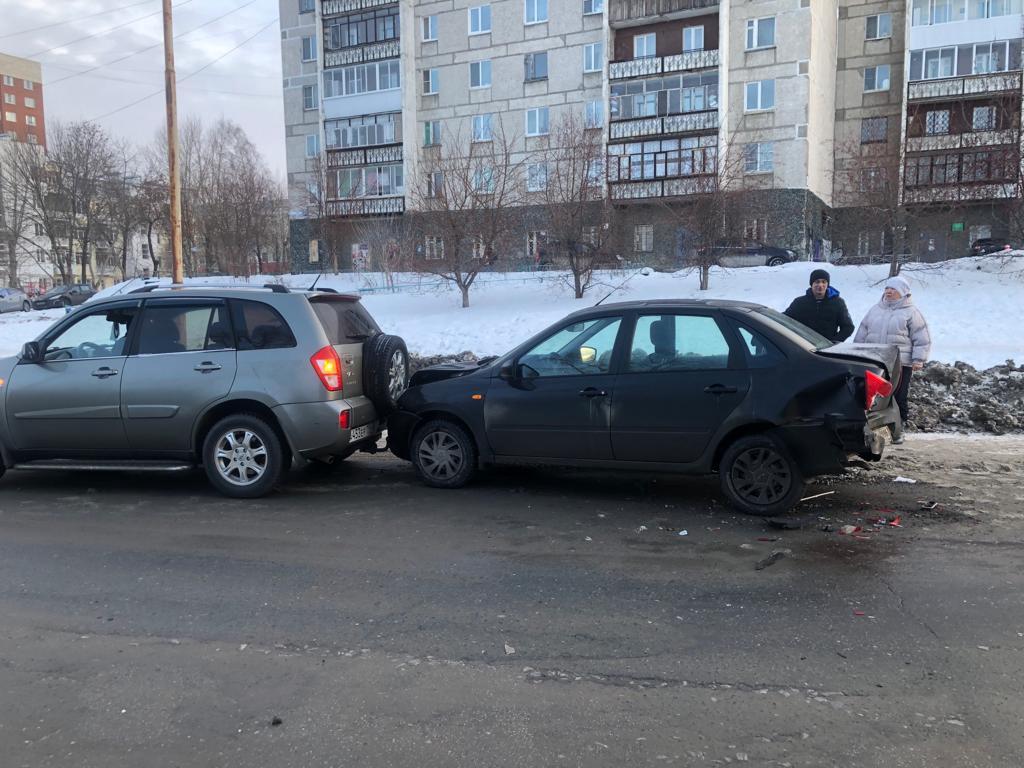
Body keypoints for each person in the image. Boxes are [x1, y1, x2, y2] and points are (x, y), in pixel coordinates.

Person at [854, 275, 931, 443]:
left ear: (902, 292)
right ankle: (876, 430)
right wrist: (857, 352)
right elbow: (862, 331)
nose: (889, 292)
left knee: (897, 396)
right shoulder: (875, 309)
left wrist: (919, 359)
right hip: (875, 361)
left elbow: (921, 337)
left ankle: (898, 429)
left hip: (900, 363)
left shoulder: (911, 312)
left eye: (893, 289)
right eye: (887, 288)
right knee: (874, 397)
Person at [783, 269, 854, 342]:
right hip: (803, 346)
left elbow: (848, 327)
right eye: (817, 282)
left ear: (827, 284)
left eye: (824, 282)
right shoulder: (799, 302)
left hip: (827, 349)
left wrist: (833, 343)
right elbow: (784, 320)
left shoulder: (838, 303)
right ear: (811, 284)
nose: (820, 285)